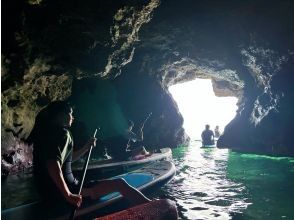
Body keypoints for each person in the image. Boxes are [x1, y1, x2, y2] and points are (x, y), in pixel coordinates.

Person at [28, 101, 150, 218]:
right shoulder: (62, 134)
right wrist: (69, 195)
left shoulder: (46, 133)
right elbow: (52, 164)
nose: (72, 117)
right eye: (70, 113)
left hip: (47, 192)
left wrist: (86, 147)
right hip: (70, 191)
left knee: (94, 181)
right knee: (120, 184)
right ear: (60, 115)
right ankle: (153, 206)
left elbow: (67, 160)